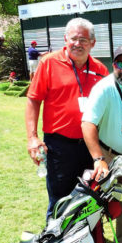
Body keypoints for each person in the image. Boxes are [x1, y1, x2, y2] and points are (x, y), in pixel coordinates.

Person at [25, 17, 109, 220]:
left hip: (92, 146)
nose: (77, 44)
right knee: (60, 198)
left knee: (91, 195)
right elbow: (33, 100)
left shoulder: (100, 70)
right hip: (59, 145)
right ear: (65, 39)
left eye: (83, 39)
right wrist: (33, 137)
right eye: (73, 39)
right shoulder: (49, 63)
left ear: (92, 43)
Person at [81, 45, 122, 243]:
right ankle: (96, 242)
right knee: (97, 200)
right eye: (119, 64)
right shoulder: (104, 87)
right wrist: (99, 159)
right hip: (106, 154)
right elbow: (88, 123)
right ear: (113, 65)